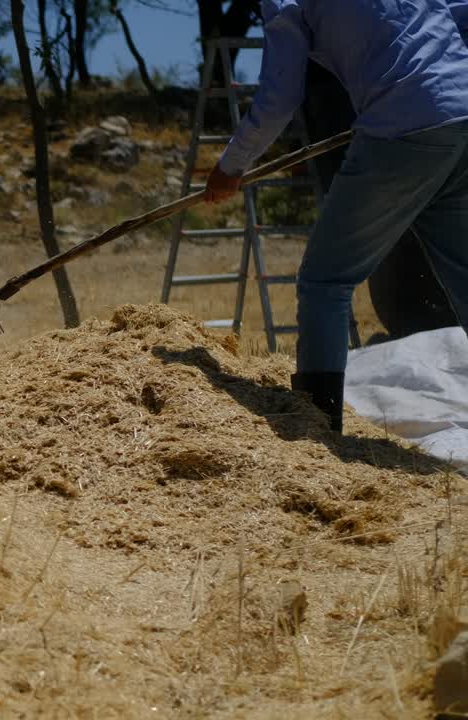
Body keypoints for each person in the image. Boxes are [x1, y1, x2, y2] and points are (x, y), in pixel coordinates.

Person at [204, 0, 468, 433]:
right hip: (462, 117)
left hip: (403, 128)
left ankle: (316, 429)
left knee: (325, 280)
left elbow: (279, 98)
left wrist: (233, 166)